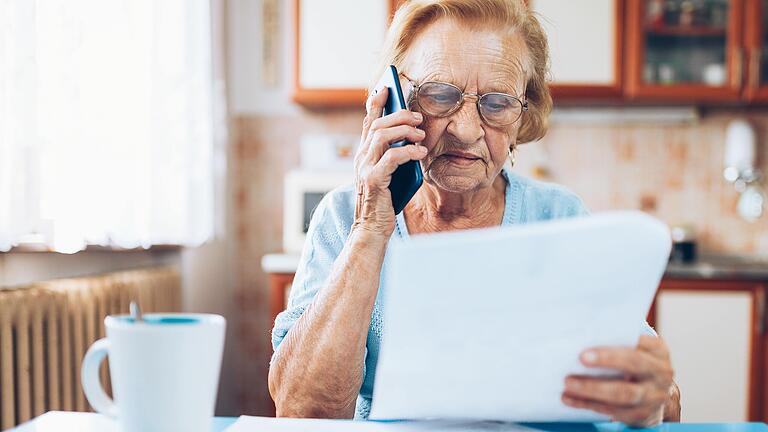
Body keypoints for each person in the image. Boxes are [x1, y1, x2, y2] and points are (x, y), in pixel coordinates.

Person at [268, 0, 681, 426]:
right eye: (438, 96)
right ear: (392, 99)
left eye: (497, 103)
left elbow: (658, 398)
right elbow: (301, 412)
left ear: (523, 115)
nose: (465, 130)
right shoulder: (345, 217)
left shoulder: (560, 217)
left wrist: (651, 397)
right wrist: (370, 229)